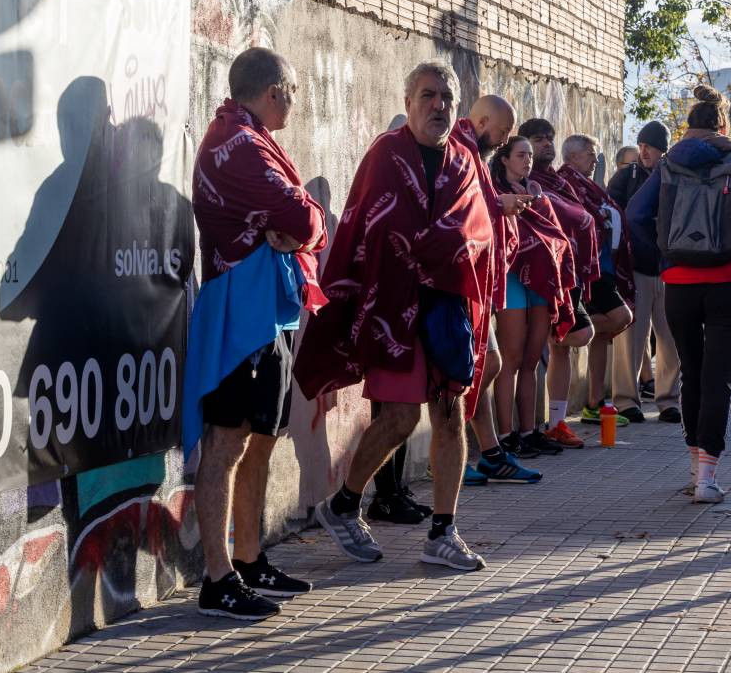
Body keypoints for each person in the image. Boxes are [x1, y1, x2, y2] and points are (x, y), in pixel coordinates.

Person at [294, 60, 496, 571]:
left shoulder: (465, 161)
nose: (439, 105)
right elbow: (368, 225)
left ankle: (443, 532)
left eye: (447, 97)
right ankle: (343, 504)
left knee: (451, 418)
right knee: (401, 419)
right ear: (408, 103)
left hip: (448, 307)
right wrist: (420, 249)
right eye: (428, 95)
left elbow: (480, 229)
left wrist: (439, 246)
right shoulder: (386, 155)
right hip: (393, 307)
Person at [189, 48, 328, 619]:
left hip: (266, 306)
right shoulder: (239, 144)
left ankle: (248, 560)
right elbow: (304, 218)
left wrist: (300, 228)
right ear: (273, 91)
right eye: (292, 90)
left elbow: (302, 221)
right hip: (236, 308)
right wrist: (301, 227)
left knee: (261, 437)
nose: (295, 100)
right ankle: (217, 579)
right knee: (226, 442)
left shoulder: (251, 138)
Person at [628, 85, 731, 503]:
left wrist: (665, 252)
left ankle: (696, 468)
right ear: (723, 125)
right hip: (730, 283)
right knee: (719, 377)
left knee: (691, 373)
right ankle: (708, 479)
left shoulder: (669, 165)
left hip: (678, 283)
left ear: (688, 128)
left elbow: (635, 214)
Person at [447, 96, 546, 486]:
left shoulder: (475, 151)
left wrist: (500, 203)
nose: (503, 140)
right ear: (483, 120)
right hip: (455, 281)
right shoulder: (459, 149)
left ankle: (490, 453)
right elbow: (463, 203)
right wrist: (499, 202)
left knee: (486, 363)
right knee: (479, 366)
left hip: (476, 279)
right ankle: (454, 455)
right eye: (502, 133)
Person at [490, 137, 579, 460]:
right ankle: (505, 435)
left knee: (531, 360)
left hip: (541, 281)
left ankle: (528, 431)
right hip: (513, 279)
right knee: (509, 361)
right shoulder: (493, 191)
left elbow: (554, 236)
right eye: (520, 155)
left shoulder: (538, 192)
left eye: (530, 155)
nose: (527, 160)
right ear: (504, 159)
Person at [521, 117, 605, 446]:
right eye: (539, 139)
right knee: (532, 354)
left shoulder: (559, 181)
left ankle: (556, 423)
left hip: (569, 275)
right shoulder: (526, 182)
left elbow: (582, 215)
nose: (546, 144)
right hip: (538, 276)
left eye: (549, 138)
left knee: (561, 348)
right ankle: (523, 431)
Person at [555, 134, 636, 423]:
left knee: (603, 336)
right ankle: (563, 331)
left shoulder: (589, 184)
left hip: (604, 265)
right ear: (572, 156)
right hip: (587, 268)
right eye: (589, 154)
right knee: (621, 317)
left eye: (595, 154)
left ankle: (595, 402)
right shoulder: (565, 182)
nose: (594, 159)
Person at [609, 120, 681, 423]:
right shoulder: (625, 177)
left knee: (671, 338)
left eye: (649, 146)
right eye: (640, 146)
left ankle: (668, 400)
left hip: (670, 268)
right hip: (635, 267)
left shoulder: (677, 177)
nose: (643, 152)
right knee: (631, 338)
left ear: (662, 149)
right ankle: (626, 400)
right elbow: (612, 217)